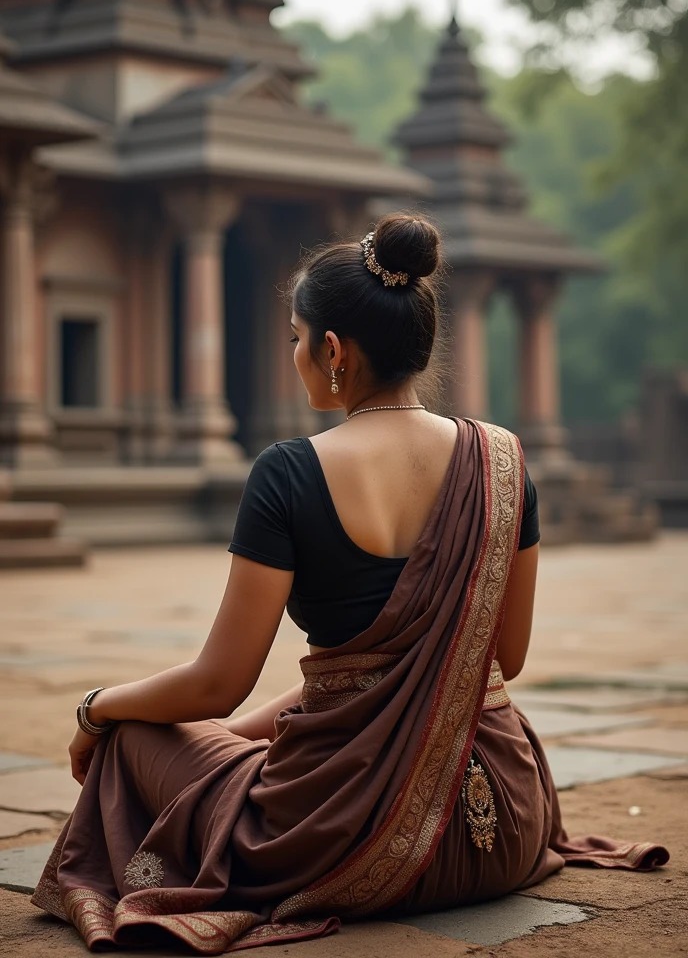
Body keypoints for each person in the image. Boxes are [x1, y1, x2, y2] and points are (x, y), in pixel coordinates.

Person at [32, 215, 668, 954]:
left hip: (334, 838)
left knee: (133, 729)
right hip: (506, 825)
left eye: (296, 339)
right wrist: (237, 738)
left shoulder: (290, 471)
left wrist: (95, 708)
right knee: (200, 736)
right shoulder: (503, 461)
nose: (295, 355)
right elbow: (498, 661)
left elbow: (217, 683)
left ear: (332, 351)